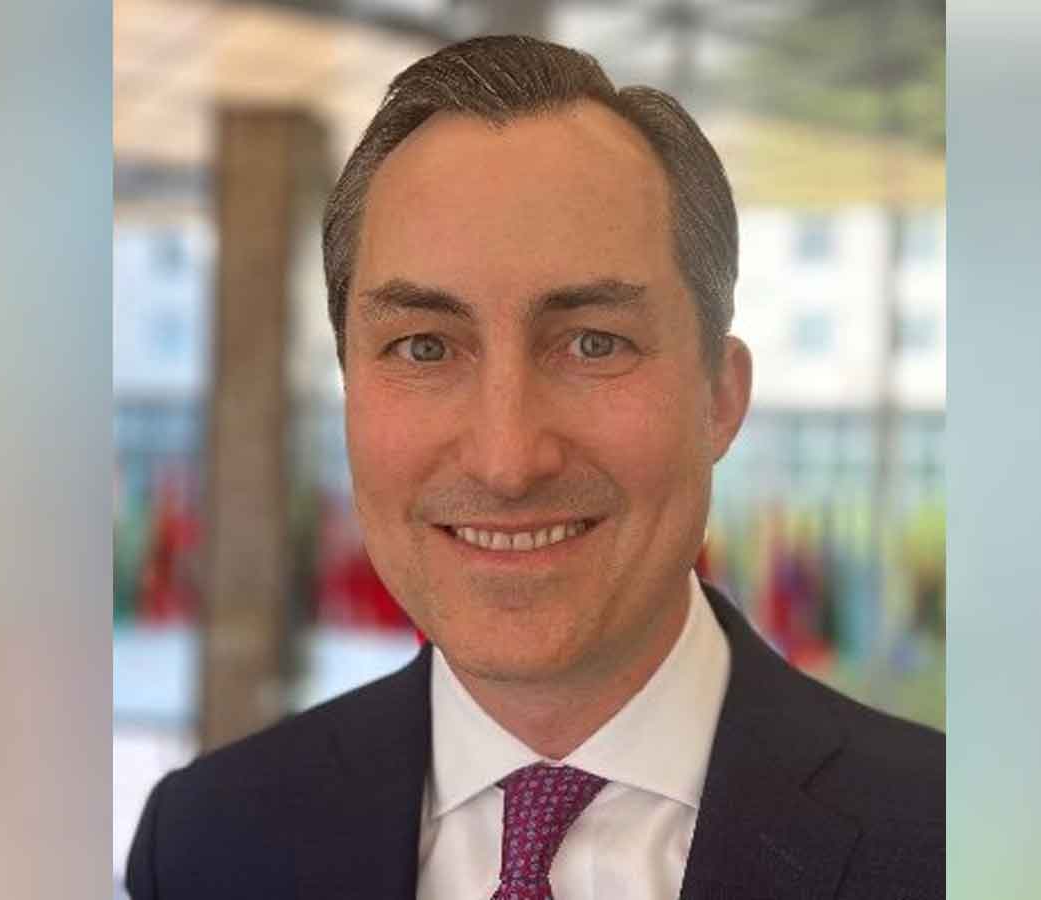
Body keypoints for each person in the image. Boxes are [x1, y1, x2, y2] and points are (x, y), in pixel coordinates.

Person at [126, 35, 942, 900]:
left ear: (720, 398)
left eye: (593, 343)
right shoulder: (205, 844)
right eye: (424, 346)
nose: (507, 461)